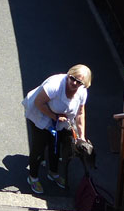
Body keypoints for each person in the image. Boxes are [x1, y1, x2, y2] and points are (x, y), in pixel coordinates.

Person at [23, 65, 92, 194]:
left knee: (56, 144)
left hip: (60, 117)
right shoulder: (55, 85)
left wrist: (82, 136)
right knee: (39, 146)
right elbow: (39, 103)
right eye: (72, 78)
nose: (74, 83)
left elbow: (80, 113)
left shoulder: (82, 91)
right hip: (40, 114)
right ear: (68, 75)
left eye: (79, 82)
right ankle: (33, 177)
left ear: (84, 84)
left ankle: (53, 172)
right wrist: (54, 116)